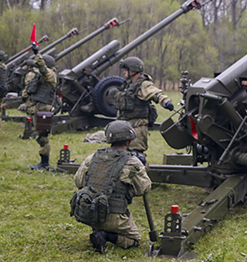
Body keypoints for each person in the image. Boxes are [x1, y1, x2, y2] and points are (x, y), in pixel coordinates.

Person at [73, 120, 152, 253]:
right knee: (134, 240)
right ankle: (106, 235)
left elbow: (78, 181)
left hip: (90, 213)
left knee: (101, 219)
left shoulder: (93, 157)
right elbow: (144, 188)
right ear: (129, 141)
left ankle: (98, 229)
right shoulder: (132, 162)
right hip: (115, 216)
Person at [112, 57, 174, 156]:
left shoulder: (144, 85)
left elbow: (156, 93)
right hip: (125, 126)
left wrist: (166, 101)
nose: (124, 72)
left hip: (137, 127)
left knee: (136, 155)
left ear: (132, 70)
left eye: (125, 69)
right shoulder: (128, 84)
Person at [18, 45, 57, 169]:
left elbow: (43, 69)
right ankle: (43, 162)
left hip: (44, 110)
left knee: (43, 136)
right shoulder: (44, 75)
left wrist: (37, 54)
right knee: (40, 136)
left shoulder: (50, 74)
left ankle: (44, 163)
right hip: (40, 108)